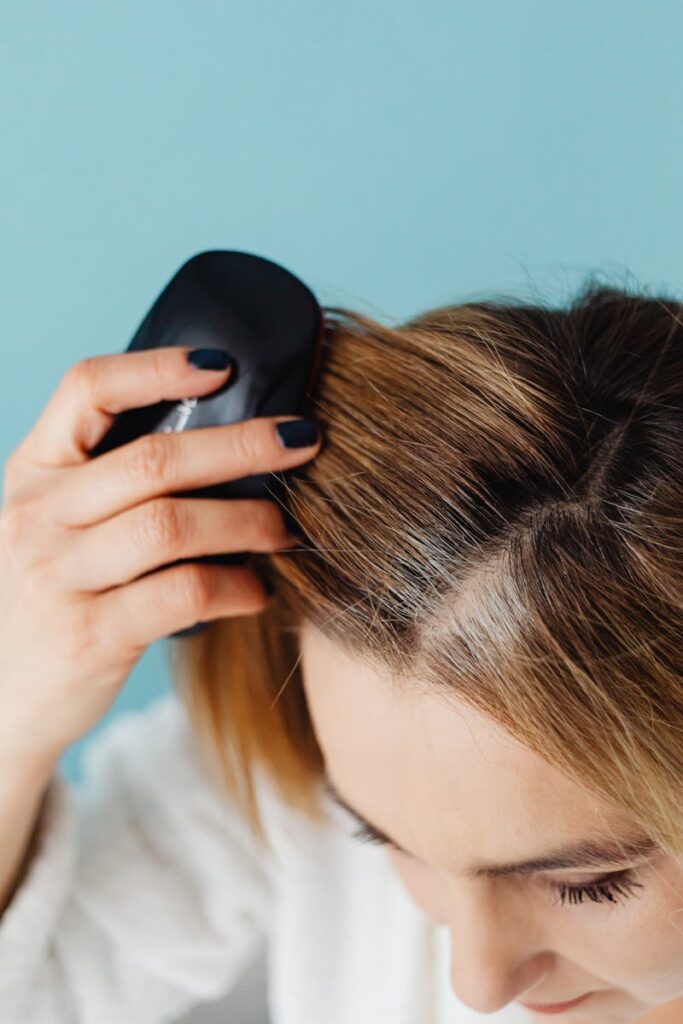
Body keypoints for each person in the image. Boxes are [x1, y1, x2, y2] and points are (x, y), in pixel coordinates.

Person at [0, 277, 680, 1023]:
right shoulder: (309, 763)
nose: (476, 986)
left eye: (591, 883)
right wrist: (15, 714)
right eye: (381, 838)